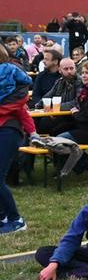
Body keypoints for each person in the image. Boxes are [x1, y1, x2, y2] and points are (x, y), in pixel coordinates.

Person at [0, 44, 38, 234]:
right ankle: (3, 216)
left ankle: (16, 220)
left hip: (8, 131)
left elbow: (20, 110)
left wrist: (33, 134)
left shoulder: (9, 82)